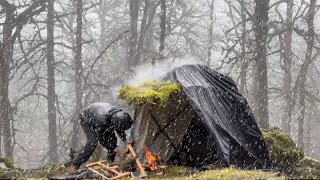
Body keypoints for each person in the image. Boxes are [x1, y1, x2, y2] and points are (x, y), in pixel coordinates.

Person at [66, 102, 133, 171]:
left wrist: (124, 139)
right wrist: (116, 150)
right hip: (86, 118)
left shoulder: (119, 115)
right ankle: (74, 165)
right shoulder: (102, 120)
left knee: (113, 140)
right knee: (92, 142)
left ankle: (110, 162)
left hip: (99, 115)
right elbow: (102, 140)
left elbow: (119, 128)